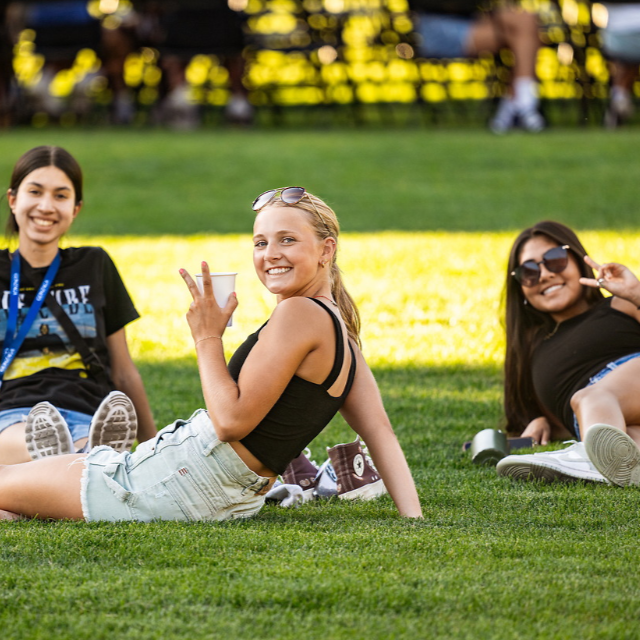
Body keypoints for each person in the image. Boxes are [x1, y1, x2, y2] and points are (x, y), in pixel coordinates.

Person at [0, 186, 422, 521]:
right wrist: (413, 520)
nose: (270, 254)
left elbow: (230, 422)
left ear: (326, 250)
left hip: (170, 482)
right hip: (212, 492)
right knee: (14, 498)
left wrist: (207, 338)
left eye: (287, 240)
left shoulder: (298, 313)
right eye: (260, 242)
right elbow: (381, 433)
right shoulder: (342, 333)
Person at [0, 145, 156, 465]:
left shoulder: (94, 264)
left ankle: (78, 459)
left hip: (89, 413)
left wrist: (154, 447)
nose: (46, 206)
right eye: (35, 191)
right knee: (44, 446)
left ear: (75, 209)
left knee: (84, 445)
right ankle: (90, 461)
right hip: (11, 413)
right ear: (13, 199)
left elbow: (123, 369)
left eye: (60, 195)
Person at [496, 220, 640, 486]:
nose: (545, 274)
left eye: (555, 259)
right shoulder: (532, 352)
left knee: (592, 397)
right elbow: (564, 410)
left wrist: (635, 293)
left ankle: (588, 459)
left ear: (577, 260)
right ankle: (605, 458)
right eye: (528, 270)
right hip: (602, 421)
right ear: (521, 289)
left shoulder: (620, 305)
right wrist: (541, 422)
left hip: (617, 385)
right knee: (628, 440)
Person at [409, 0, 544, 133]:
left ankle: (516, 109)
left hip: (473, 21)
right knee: (523, 33)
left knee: (526, 22)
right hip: (437, 25)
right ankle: (522, 106)